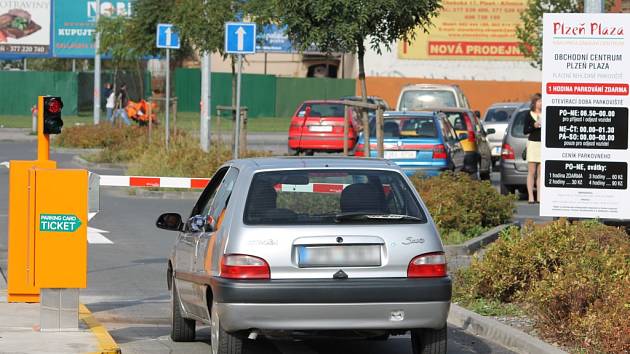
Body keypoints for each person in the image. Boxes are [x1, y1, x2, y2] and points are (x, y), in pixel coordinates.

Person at [523, 93, 542, 204]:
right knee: (531, 172)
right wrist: (533, 126)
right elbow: (525, 130)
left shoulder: (545, 114)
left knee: (540, 172)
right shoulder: (529, 114)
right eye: (539, 101)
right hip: (533, 144)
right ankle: (531, 196)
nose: (541, 103)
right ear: (534, 103)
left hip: (542, 145)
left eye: (542, 101)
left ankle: (539, 196)